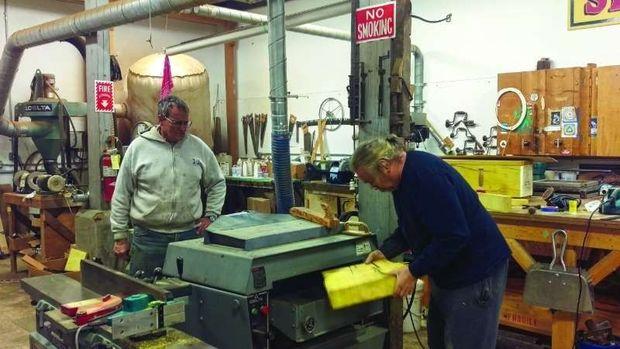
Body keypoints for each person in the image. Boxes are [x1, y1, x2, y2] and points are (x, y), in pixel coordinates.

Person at [351, 135, 511, 349]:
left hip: (475, 273)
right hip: (449, 272)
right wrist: (385, 251)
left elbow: (454, 235)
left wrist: (413, 271)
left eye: (371, 181)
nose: (373, 188)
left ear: (384, 166)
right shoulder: (401, 183)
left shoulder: (426, 177)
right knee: (440, 341)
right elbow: (411, 227)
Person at [111, 95, 226, 277]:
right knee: (145, 294)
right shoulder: (139, 148)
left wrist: (211, 215)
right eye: (176, 123)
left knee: (189, 294)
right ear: (161, 119)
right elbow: (121, 194)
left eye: (185, 123)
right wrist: (120, 236)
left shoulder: (198, 148)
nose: (182, 129)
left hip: (189, 236)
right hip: (148, 239)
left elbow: (217, 183)